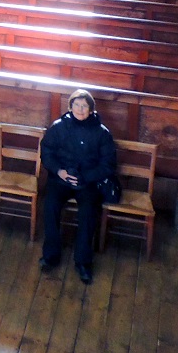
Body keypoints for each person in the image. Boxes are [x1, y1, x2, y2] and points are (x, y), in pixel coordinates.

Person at [39, 88, 116, 285]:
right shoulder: (58, 127)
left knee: (88, 212)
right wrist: (60, 171)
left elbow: (107, 165)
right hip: (62, 178)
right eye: (77, 105)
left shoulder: (101, 133)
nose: (80, 109)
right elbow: (47, 152)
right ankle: (51, 255)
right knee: (50, 206)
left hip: (88, 182)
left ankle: (83, 262)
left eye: (84, 106)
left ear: (91, 110)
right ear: (70, 106)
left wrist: (85, 176)